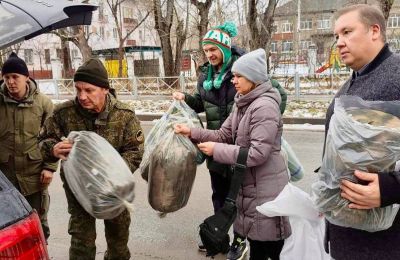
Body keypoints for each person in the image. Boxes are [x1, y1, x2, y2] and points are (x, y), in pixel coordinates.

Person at [172, 21, 286, 259]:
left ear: (224, 49)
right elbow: (219, 128)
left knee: (251, 212)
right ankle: (220, 237)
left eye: (213, 50)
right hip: (225, 151)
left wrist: (265, 124)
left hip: (245, 159)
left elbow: (257, 150)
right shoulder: (212, 79)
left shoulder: (257, 97)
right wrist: (191, 130)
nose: (209, 55)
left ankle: (238, 241)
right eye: (206, 51)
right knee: (224, 197)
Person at [39, 58, 144, 260]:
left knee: (118, 242)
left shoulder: (124, 115)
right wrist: (53, 149)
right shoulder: (64, 113)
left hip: (114, 189)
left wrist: (112, 173)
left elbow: (136, 150)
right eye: (78, 89)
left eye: (88, 90)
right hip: (78, 189)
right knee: (81, 242)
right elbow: (42, 141)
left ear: (105, 89)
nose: (82, 96)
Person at [322, 4, 400, 259]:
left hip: (386, 243)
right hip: (348, 235)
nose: (339, 43)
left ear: (374, 30)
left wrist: (391, 188)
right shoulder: (348, 85)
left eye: (347, 32)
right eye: (336, 36)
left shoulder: (396, 74)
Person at [0, 52, 55, 240]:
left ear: (26, 77)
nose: (11, 81)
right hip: (5, 179)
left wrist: (50, 167)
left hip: (34, 177)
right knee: (9, 229)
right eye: (7, 77)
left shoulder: (43, 104)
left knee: (38, 225)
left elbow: (53, 138)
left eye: (15, 77)